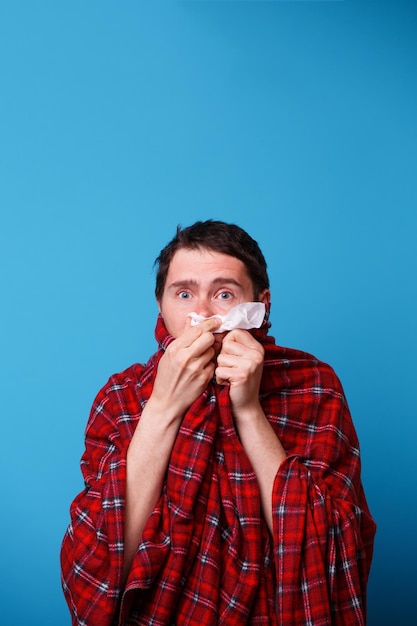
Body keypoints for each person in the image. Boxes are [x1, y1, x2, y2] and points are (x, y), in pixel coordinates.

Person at [61, 220, 376, 625]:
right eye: (184, 293)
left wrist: (248, 411)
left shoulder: (314, 385)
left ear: (262, 304)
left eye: (224, 293)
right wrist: (163, 406)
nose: (203, 313)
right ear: (160, 304)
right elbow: (98, 563)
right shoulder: (122, 396)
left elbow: (331, 552)